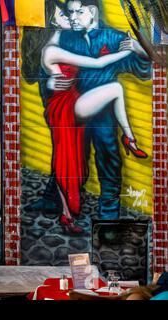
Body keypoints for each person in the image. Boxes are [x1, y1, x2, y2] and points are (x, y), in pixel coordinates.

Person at [22, 0, 147, 233]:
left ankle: (108, 215)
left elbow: (142, 68)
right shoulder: (67, 37)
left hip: (101, 110)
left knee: (107, 155)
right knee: (68, 154)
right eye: (68, 13)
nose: (72, 18)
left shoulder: (114, 37)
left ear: (92, 11)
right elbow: (45, 68)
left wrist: (139, 50)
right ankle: (56, 202)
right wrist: (50, 81)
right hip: (73, 104)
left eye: (77, 12)